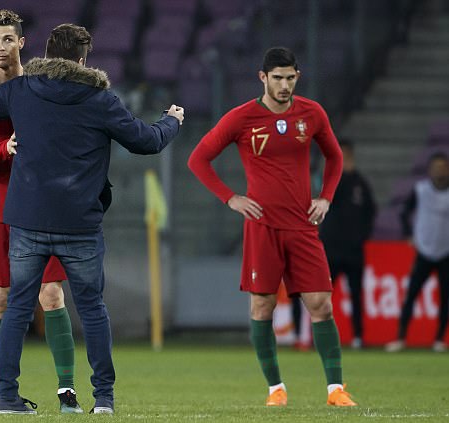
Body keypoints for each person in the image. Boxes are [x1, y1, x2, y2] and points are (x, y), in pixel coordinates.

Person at [0, 23, 184, 414]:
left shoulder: (22, 91)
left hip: (27, 222)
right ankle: (103, 399)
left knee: (15, 308)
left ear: (43, 52)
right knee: (92, 309)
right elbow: (147, 141)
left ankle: (7, 396)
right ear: (82, 58)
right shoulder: (100, 100)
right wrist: (172, 121)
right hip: (79, 224)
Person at [188, 47, 356, 407]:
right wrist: (230, 198)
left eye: (290, 77)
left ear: (298, 76)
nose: (284, 85)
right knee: (263, 307)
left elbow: (335, 155)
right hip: (261, 226)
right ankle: (275, 389)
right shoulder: (242, 117)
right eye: (277, 78)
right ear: (262, 77)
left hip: (302, 225)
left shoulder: (311, 113)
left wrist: (325, 197)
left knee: (321, 304)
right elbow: (198, 158)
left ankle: (336, 390)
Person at [0, 10, 82, 414]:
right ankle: (3, 391)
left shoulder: (39, 87)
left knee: (51, 293)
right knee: (1, 299)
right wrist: (4, 149)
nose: (0, 47)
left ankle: (67, 391)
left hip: (39, 207)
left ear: (21, 43)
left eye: (8, 39)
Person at [386, 152, 449, 353]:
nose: (439, 170)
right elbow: (404, 212)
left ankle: (439, 339)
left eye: (443, 167)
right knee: (411, 294)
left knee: (445, 297)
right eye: (436, 167)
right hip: (424, 250)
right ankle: (401, 337)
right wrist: (408, 235)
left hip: (446, 251)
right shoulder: (420, 190)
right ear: (430, 169)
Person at [319, 139, 376, 349]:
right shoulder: (327, 180)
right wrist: (340, 172)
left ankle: (358, 337)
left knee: (356, 294)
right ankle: (321, 337)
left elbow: (371, 211)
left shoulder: (360, 183)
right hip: (331, 247)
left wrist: (363, 236)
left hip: (353, 250)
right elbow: (326, 197)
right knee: (322, 295)